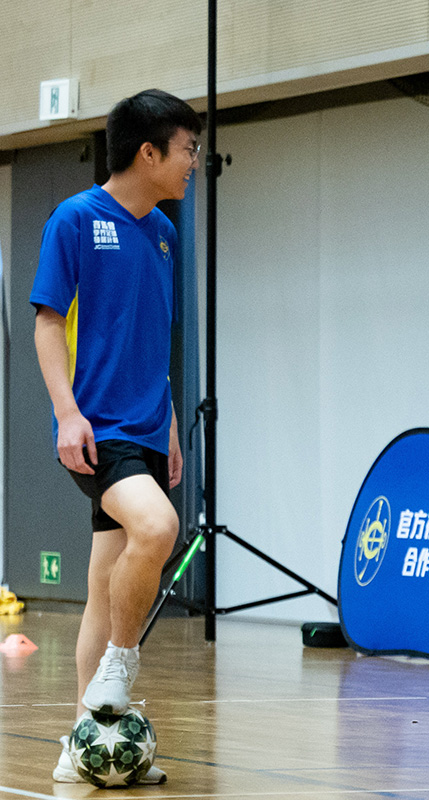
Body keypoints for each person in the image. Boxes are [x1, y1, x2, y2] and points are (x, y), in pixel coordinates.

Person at [32, 89, 202, 783]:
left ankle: (80, 746)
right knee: (158, 529)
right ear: (148, 152)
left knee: (104, 587)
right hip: (98, 431)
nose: (195, 161)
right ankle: (120, 668)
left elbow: (152, 341)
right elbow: (48, 322)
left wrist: (170, 425)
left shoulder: (163, 232)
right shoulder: (75, 218)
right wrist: (67, 412)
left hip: (148, 429)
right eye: (188, 148)